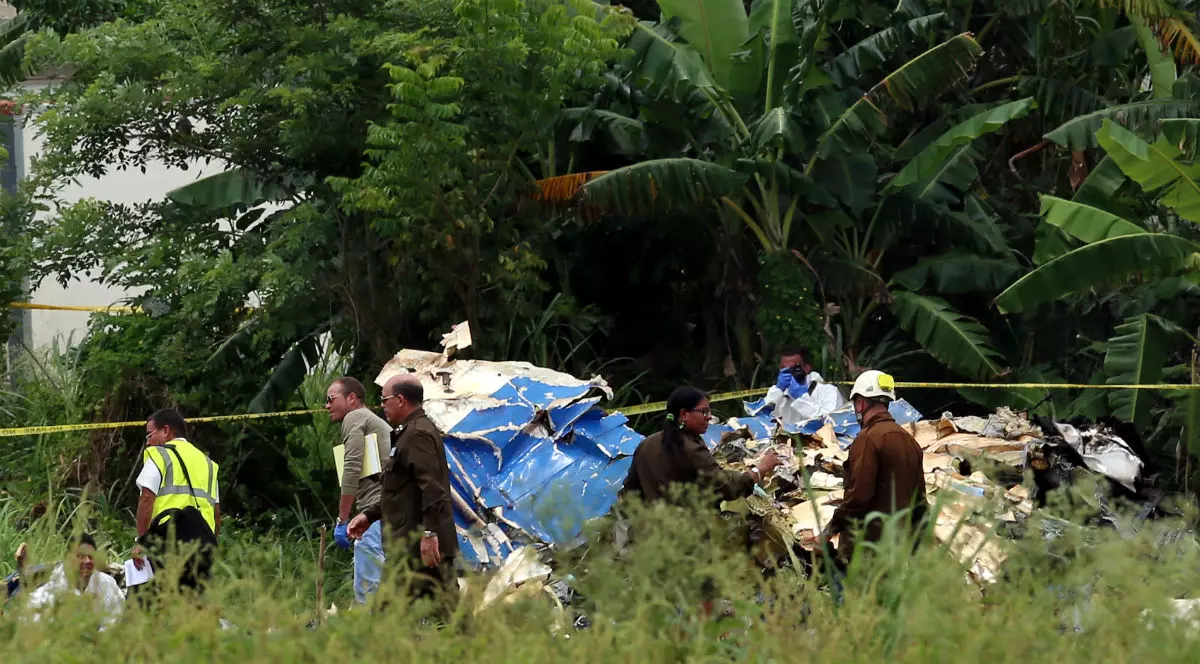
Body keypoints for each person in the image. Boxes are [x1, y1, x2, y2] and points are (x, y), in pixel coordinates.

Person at [347, 374, 458, 618]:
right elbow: (400, 490)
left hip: (419, 546)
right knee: (447, 616)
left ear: (400, 400)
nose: (382, 405)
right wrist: (369, 515)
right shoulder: (408, 433)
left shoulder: (417, 434)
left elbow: (433, 489)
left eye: (385, 399)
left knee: (393, 617)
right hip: (411, 546)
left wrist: (429, 534)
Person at [821, 370, 927, 561]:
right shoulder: (910, 442)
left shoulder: (868, 439)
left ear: (861, 403)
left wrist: (829, 530)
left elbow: (858, 497)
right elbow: (920, 502)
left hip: (866, 552)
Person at [621, 386, 782, 507]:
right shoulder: (691, 449)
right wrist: (759, 469)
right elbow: (726, 487)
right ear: (684, 414)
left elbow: (630, 490)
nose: (709, 416)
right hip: (689, 536)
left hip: (654, 534)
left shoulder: (647, 443)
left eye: (709, 411)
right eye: (703, 411)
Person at [131, 408, 220, 597]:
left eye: (149, 434)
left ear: (166, 430)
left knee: (162, 601)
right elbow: (216, 511)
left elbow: (147, 498)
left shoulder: (160, 455)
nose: (148, 441)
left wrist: (143, 541)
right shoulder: (208, 463)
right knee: (196, 604)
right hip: (203, 543)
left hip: (168, 540)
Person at [325, 376, 392, 605]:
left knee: (367, 587)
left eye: (331, 399)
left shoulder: (355, 417)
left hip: (373, 510)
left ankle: (370, 637)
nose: (327, 405)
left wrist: (342, 518)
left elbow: (351, 466)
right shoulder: (376, 421)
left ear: (351, 398)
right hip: (388, 508)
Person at [25, 533, 124, 629]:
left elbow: (114, 620)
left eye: (91, 557)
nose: (87, 561)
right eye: (80, 556)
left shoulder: (106, 583)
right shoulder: (52, 587)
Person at [761, 346, 845, 423]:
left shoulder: (829, 392)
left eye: (792, 368)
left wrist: (802, 399)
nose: (788, 373)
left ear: (806, 368)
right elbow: (762, 419)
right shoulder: (780, 395)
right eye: (783, 369)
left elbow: (833, 423)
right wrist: (776, 392)